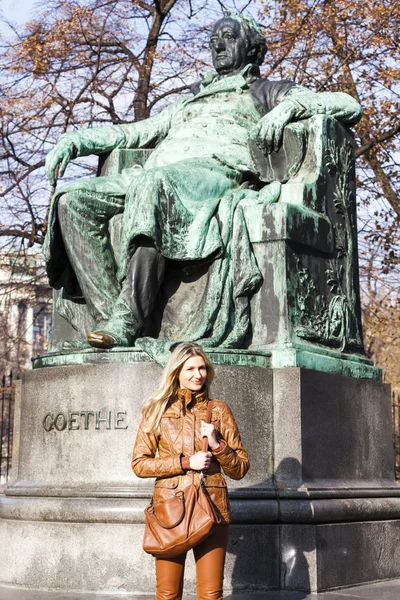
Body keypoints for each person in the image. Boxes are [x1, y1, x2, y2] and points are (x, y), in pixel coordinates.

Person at [44, 12, 362, 354]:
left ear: (252, 49)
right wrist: (76, 140)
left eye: (228, 38)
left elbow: (348, 105)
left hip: (211, 174)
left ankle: (127, 320)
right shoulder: (190, 99)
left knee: (154, 184)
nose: (218, 45)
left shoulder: (264, 91)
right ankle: (112, 317)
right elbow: (135, 132)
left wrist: (286, 110)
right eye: (213, 41)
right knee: (71, 200)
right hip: (155, 175)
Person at [131, 342, 249, 600]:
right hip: (170, 509)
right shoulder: (158, 410)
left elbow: (240, 468)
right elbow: (140, 463)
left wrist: (218, 445)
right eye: (190, 369)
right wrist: (185, 462)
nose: (198, 375)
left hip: (213, 508)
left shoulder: (219, 410)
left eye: (202, 368)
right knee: (167, 594)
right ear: (176, 372)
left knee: (210, 595)